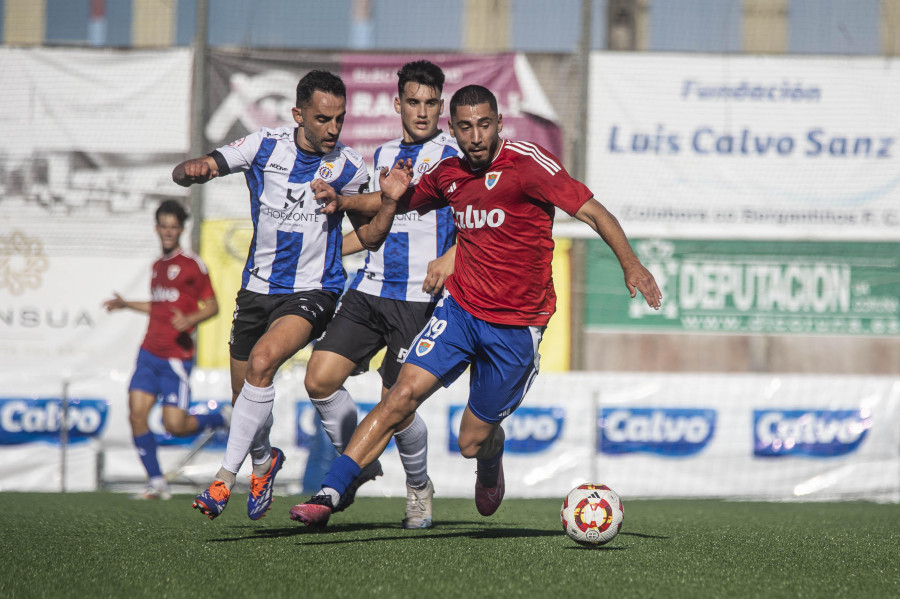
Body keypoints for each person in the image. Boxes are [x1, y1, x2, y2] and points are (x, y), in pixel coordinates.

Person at [289, 84, 662, 528]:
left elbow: (594, 212)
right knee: (400, 396)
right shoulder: (448, 173)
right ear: (454, 130)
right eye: (466, 127)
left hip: (516, 328)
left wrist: (632, 264)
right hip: (460, 311)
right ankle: (330, 492)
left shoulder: (528, 165)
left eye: (485, 124)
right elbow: (400, 201)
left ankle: (491, 456)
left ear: (499, 124)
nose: (477, 136)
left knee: (471, 441)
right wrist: (355, 199)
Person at [171, 70, 369, 520]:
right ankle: (264, 462)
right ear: (298, 114)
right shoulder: (264, 145)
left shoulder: (351, 166)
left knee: (263, 362)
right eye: (323, 119)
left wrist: (373, 208)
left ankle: (224, 478)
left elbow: (374, 223)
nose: (333, 129)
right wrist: (194, 169)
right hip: (256, 290)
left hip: (314, 290)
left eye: (339, 119)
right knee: (246, 395)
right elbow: (206, 163)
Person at [304, 60, 460, 529]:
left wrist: (452, 255)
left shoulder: (454, 156)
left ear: (441, 107)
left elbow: (475, 218)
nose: (422, 111)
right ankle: (360, 459)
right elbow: (377, 223)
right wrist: (329, 254)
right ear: (398, 104)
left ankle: (417, 487)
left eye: (431, 103)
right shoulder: (384, 153)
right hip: (370, 287)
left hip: (418, 298)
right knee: (319, 379)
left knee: (398, 402)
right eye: (414, 102)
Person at [104, 199, 223, 500]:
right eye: (164, 227)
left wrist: (190, 319)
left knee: (175, 425)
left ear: (181, 229)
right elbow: (158, 305)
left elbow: (212, 306)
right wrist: (126, 304)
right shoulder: (157, 265)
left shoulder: (192, 264)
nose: (168, 232)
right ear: (156, 228)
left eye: (174, 227)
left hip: (175, 359)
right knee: (136, 415)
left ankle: (218, 417)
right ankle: (156, 482)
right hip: (149, 354)